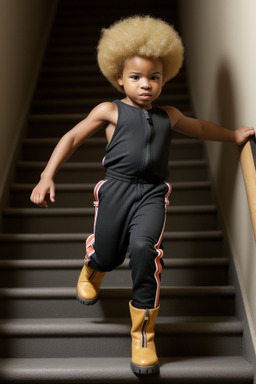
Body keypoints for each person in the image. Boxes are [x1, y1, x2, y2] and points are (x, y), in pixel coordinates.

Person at [30, 15, 254, 375]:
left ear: (164, 80)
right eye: (136, 78)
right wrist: (46, 175)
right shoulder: (109, 110)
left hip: (152, 194)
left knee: (143, 250)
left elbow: (199, 127)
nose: (146, 84)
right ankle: (92, 268)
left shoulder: (169, 115)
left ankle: (144, 335)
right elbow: (71, 137)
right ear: (119, 78)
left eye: (154, 78)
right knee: (107, 249)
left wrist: (232, 135)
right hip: (115, 189)